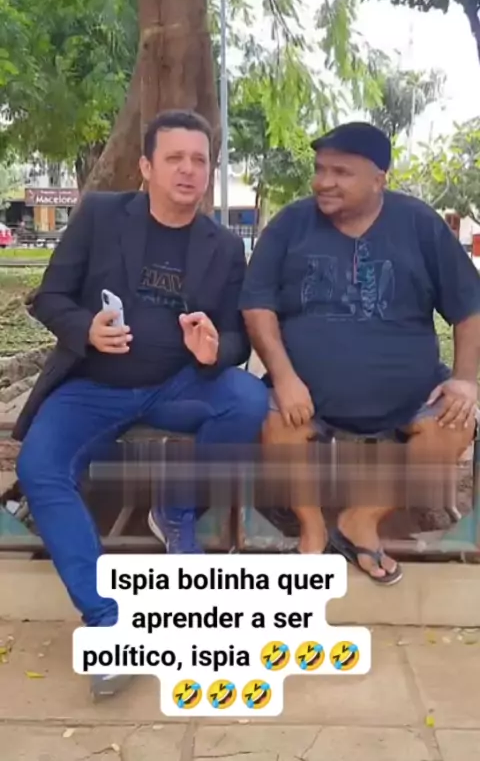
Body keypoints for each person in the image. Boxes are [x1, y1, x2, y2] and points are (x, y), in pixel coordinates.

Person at [13, 109, 269, 697]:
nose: (188, 170)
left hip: (179, 385)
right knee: (40, 467)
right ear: (146, 167)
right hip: (93, 386)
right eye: (174, 158)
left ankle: (176, 510)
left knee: (248, 400)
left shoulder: (225, 246)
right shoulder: (102, 216)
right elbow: (49, 296)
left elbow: (237, 337)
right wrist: (85, 329)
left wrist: (216, 351)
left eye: (199, 160)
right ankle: (107, 623)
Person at [240, 121, 480, 585]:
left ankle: (360, 521)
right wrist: (284, 377)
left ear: (378, 179)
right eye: (320, 169)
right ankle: (312, 528)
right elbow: (257, 304)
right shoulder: (291, 224)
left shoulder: (419, 225)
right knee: (275, 422)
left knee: (454, 427)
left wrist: (466, 379)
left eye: (341, 172)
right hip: (306, 397)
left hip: (410, 396)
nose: (324, 182)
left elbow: (469, 306)